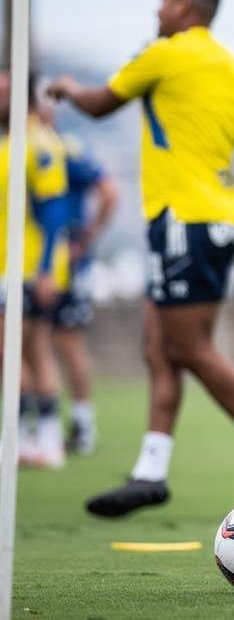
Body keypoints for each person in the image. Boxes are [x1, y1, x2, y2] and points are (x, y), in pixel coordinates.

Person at [48, 0, 234, 517]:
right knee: (160, 348)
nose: (157, 10)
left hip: (186, 222)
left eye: (162, 0)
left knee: (189, 348)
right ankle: (150, 472)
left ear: (183, 7)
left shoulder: (163, 55)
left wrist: (63, 86)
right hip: (215, 222)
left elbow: (99, 103)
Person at [35, 101, 119, 455]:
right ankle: (37, 426)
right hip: (28, 262)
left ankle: (82, 424)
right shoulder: (17, 149)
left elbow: (110, 191)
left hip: (65, 264)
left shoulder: (65, 150)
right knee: (27, 342)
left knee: (66, 342)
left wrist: (85, 238)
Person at [0, 72, 71, 469]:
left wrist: (45, 270)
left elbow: (53, 207)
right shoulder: (13, 141)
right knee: (35, 348)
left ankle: (24, 436)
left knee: (11, 350)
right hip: (15, 265)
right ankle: (44, 438)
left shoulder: (37, 142)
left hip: (27, 269)